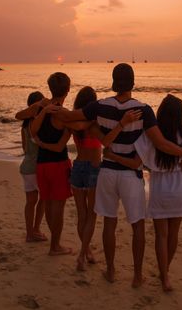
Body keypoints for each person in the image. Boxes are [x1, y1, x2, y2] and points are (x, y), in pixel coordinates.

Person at [55, 63, 182, 288]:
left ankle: (110, 271)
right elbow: (160, 143)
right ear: (133, 82)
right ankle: (137, 276)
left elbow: (71, 116)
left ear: (113, 81)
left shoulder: (99, 106)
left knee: (109, 222)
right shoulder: (143, 110)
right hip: (130, 175)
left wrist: (51, 107)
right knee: (137, 226)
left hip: (107, 172)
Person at [104, 94, 182, 292]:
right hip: (179, 187)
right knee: (174, 235)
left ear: (160, 113)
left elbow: (135, 163)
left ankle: (164, 277)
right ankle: (165, 274)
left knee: (161, 235)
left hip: (160, 189)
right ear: (180, 116)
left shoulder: (149, 136)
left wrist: (112, 156)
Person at [67, 86, 141, 271]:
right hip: (93, 168)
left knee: (81, 215)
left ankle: (86, 252)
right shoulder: (96, 122)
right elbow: (107, 140)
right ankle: (82, 256)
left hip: (77, 167)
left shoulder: (76, 124)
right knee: (91, 216)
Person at [29, 72, 73, 256]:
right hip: (58, 165)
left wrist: (44, 111)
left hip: (42, 166)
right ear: (68, 90)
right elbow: (59, 147)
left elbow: (33, 131)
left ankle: (54, 244)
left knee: (47, 204)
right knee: (58, 207)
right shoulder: (64, 115)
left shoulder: (41, 110)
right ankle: (55, 246)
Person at [17, 91, 48, 243]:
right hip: (36, 167)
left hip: (25, 166)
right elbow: (42, 146)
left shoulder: (24, 126)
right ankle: (36, 229)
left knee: (30, 202)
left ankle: (30, 233)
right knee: (43, 199)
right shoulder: (37, 124)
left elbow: (25, 148)